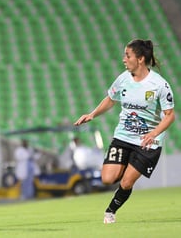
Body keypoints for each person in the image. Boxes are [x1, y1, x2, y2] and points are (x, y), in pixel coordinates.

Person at [74, 39, 175, 224]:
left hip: (148, 142)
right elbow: (111, 99)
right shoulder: (123, 79)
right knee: (107, 178)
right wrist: (93, 114)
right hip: (123, 137)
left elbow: (170, 115)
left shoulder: (159, 84)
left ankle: (110, 212)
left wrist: (153, 133)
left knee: (127, 182)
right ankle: (127, 166)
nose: (124, 59)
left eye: (127, 55)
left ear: (141, 59)